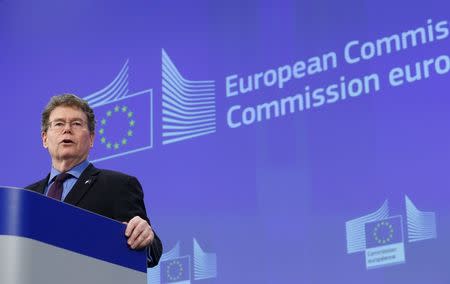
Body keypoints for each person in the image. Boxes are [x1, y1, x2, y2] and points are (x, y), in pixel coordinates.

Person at [26, 94, 162, 267]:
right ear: (44, 138)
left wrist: (146, 237)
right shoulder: (26, 198)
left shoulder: (118, 186)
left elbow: (152, 248)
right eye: (59, 123)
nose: (67, 129)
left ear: (91, 139)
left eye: (76, 124)